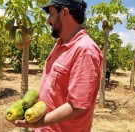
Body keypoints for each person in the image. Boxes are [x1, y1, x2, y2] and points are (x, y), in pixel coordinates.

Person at [14, 0, 103, 131]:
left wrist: (38, 123)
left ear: (65, 13)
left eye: (51, 14)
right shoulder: (60, 43)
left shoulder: (85, 51)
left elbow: (77, 106)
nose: (48, 20)